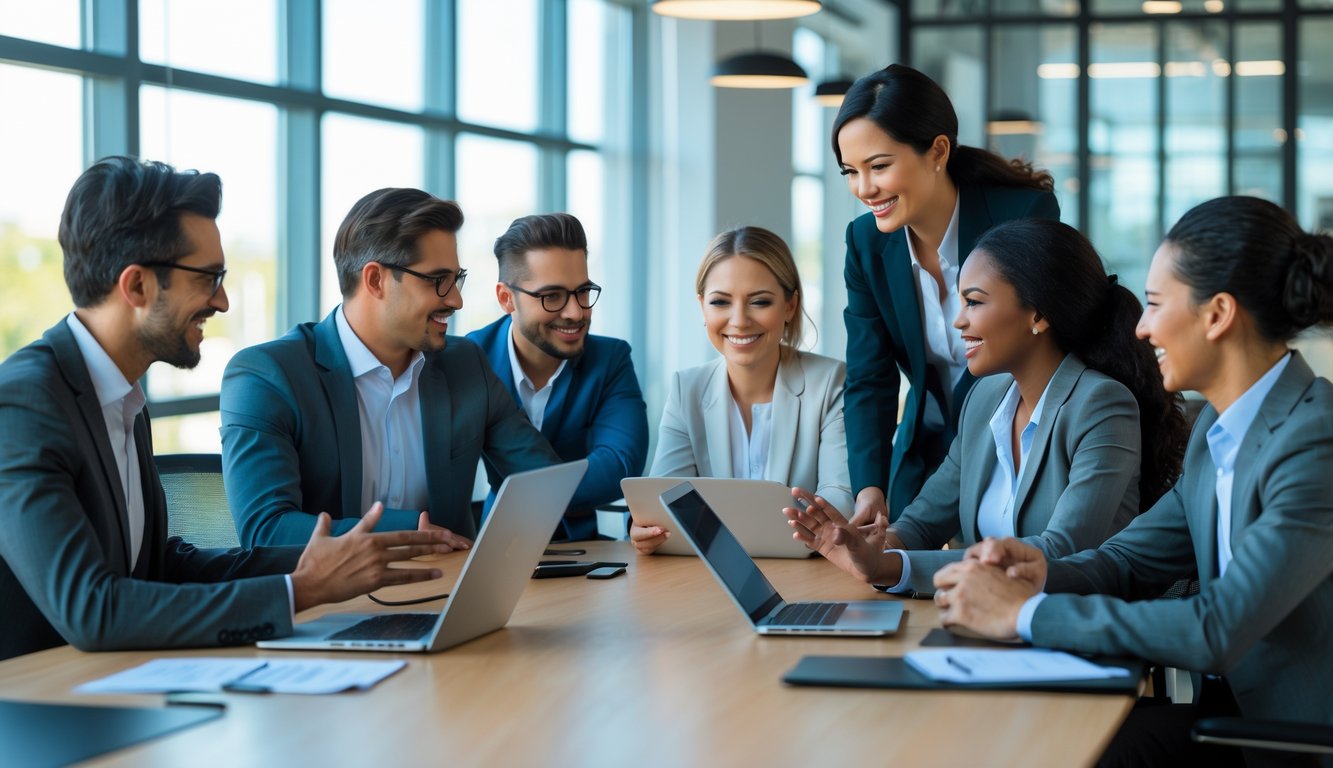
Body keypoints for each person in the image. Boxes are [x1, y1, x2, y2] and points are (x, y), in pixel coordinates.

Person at [0, 157, 455, 661]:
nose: (222, 302)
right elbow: (93, 609)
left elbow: (157, 566)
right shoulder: (24, 404)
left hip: (120, 683)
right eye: (209, 277)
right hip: (39, 705)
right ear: (136, 286)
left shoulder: (121, 397)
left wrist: (331, 561)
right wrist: (301, 590)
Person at [933, 196, 1333, 765]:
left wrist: (1021, 614)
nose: (1141, 329)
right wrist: (1039, 570)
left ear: (1217, 314)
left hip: (1289, 742)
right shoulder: (1219, 426)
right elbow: (1129, 560)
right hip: (1230, 718)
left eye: (1153, 305)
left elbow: (1216, 628)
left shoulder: (1315, 442)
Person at [785, 218, 1187, 595]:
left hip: (1069, 634)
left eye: (974, 302)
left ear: (1038, 314)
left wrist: (893, 567)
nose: (959, 321)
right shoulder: (985, 398)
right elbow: (922, 522)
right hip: (987, 623)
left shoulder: (1100, 405)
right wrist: (874, 546)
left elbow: (1060, 550)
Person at [221, 187, 561, 548]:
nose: (456, 300)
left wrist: (630, 514)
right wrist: (410, 531)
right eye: (437, 281)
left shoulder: (465, 364)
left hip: (448, 596)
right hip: (331, 602)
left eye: (456, 279)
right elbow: (266, 532)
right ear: (375, 280)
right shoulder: (267, 376)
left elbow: (544, 483)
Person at [835, 63, 1061, 526]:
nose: (864, 189)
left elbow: (1050, 349)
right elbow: (869, 378)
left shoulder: (1019, 217)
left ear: (938, 150)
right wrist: (869, 487)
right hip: (924, 447)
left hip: (1016, 445)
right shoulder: (865, 243)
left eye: (878, 166)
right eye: (850, 172)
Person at [632, 226, 852, 554]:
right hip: (706, 581)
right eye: (720, 302)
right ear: (702, 306)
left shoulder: (830, 381)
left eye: (760, 302)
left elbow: (840, 501)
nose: (739, 320)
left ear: (790, 306)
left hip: (809, 573)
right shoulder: (686, 389)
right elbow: (663, 505)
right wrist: (645, 529)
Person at [467, 213, 648, 541]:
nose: (576, 312)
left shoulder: (610, 359)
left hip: (587, 552)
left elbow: (621, 466)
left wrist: (520, 489)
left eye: (583, 291)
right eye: (552, 296)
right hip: (493, 544)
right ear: (507, 298)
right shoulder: (470, 359)